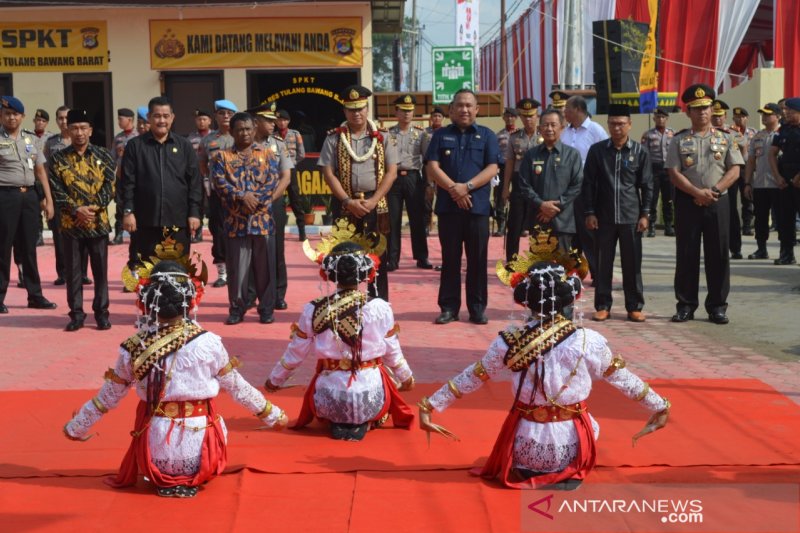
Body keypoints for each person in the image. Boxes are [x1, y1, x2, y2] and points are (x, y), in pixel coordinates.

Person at [418, 240, 670, 489]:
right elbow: (621, 377)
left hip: (524, 449)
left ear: (524, 300)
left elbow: (474, 376)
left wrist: (431, 404)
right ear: (571, 297)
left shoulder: (509, 342)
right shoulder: (587, 340)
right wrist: (659, 406)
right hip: (574, 445)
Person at [64, 259, 287, 498]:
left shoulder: (134, 347)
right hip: (200, 451)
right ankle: (191, 474)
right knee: (217, 419)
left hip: (155, 454)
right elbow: (237, 387)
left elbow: (108, 396)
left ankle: (164, 477)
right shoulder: (208, 343)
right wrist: (272, 414)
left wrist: (76, 427)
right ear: (190, 301)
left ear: (148, 302)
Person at [264, 235, 415, 441]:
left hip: (328, 400)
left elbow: (295, 353)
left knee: (329, 389)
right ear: (365, 273)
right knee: (378, 379)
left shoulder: (313, 309)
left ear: (329, 274)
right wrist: (406, 378)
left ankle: (337, 419)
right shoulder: (379, 308)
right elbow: (392, 351)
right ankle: (366, 419)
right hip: (370, 398)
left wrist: (274, 380)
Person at [666, 85, 744, 325]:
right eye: (696, 109)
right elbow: (673, 172)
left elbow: (735, 169)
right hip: (688, 202)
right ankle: (686, 305)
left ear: (712, 109)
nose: (702, 112)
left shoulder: (727, 138)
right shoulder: (679, 140)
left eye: (706, 108)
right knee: (687, 254)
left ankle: (717, 306)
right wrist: (696, 192)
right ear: (688, 112)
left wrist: (715, 190)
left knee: (718, 254)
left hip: (718, 202)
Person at [426, 89, 500, 325]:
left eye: (469, 105)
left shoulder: (487, 135)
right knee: (450, 260)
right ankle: (449, 308)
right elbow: (433, 166)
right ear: (451, 110)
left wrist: (466, 187)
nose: (464, 109)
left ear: (477, 109)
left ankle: (477, 308)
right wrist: (453, 190)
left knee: (478, 260)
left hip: (477, 208)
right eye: (459, 105)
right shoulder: (440, 136)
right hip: (449, 208)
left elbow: (492, 168)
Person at [319, 85, 398, 301]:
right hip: (346, 204)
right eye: (351, 109)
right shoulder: (334, 139)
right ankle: (345, 301)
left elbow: (391, 173)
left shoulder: (382, 137)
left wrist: (374, 200)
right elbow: (328, 173)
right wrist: (347, 200)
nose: (357, 113)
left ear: (367, 108)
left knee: (377, 257)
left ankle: (377, 302)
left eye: (360, 108)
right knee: (344, 256)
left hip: (376, 203)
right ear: (345, 111)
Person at [212, 111, 290, 325]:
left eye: (248, 129)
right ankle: (237, 309)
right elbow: (219, 183)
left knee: (265, 269)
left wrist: (255, 200)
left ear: (254, 130)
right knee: (237, 270)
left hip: (262, 221)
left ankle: (266, 309)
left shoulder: (268, 155)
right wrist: (241, 196)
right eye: (239, 129)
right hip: (235, 223)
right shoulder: (222, 157)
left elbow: (273, 182)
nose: (244, 133)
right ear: (232, 131)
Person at [583, 104, 653, 322]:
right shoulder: (597, 151)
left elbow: (648, 185)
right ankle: (603, 305)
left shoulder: (640, 152)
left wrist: (645, 214)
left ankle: (634, 306)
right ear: (608, 125)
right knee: (604, 263)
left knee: (632, 264)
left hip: (631, 217)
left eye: (621, 124)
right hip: (603, 217)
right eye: (613, 123)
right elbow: (588, 184)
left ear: (629, 125)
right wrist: (590, 212)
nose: (617, 128)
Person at [48, 109, 115, 331]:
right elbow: (57, 190)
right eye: (74, 128)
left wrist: (91, 210)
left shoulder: (104, 155)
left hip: (98, 224)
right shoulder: (58, 158)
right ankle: (76, 314)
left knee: (100, 273)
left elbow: (110, 187)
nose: (79, 133)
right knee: (74, 273)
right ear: (68, 130)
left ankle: (102, 314)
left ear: (91, 131)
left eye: (83, 128)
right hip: (71, 225)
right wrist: (77, 209)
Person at [121, 96, 203, 270]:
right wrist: (128, 211)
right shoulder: (135, 146)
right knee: (148, 271)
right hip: (145, 220)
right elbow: (127, 182)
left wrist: (194, 212)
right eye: (157, 116)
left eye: (166, 116)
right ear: (149, 118)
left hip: (178, 220)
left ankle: (177, 298)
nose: (162, 120)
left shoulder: (184, 146)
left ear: (172, 117)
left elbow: (194, 182)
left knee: (177, 271)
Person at [0, 95, 57, 314]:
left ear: (22, 116)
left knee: (29, 248)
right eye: (7, 114)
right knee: (3, 248)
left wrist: (49, 200)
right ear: (1, 115)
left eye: (15, 114)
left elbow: (41, 171)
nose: (11, 118)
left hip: (30, 197)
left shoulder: (30, 139)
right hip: (6, 197)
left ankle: (35, 295)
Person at [515, 108, 583, 254]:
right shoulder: (531, 155)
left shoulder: (572, 155)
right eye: (545, 125)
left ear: (562, 127)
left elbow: (577, 185)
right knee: (540, 271)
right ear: (539, 128)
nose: (549, 129)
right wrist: (541, 205)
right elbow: (524, 185)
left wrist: (554, 208)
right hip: (538, 220)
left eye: (553, 124)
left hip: (563, 222)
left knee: (563, 271)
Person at [561, 95, 608, 280]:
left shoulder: (596, 130)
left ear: (579, 110)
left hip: (588, 187)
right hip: (567, 188)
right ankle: (572, 273)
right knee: (571, 233)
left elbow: (605, 157)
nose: (564, 112)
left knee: (589, 232)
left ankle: (598, 274)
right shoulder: (565, 132)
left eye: (567, 109)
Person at [251, 103, 293, 311]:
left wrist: (270, 198)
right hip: (249, 204)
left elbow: (286, 177)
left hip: (273, 202)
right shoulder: (244, 144)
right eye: (268, 120)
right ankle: (250, 294)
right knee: (250, 250)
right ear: (256, 121)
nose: (272, 124)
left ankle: (278, 294)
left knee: (277, 250)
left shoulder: (279, 144)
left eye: (273, 120)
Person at [386, 94, 431, 270]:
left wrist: (428, 185)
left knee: (417, 219)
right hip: (393, 178)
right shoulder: (388, 134)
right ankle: (392, 259)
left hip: (413, 177)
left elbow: (427, 161)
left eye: (410, 111)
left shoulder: (421, 134)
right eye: (403, 111)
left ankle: (422, 257)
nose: (407, 114)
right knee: (392, 220)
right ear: (396, 112)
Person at [199, 100, 238, 287]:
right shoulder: (208, 140)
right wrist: (210, 179)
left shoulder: (242, 136)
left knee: (239, 231)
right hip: (217, 194)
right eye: (222, 113)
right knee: (218, 232)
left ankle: (238, 269)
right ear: (216, 116)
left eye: (230, 113)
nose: (226, 117)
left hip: (239, 194)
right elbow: (202, 163)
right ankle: (222, 273)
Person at [501, 98, 543, 261]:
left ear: (537, 115)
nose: (528, 119)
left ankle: (537, 260)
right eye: (524, 116)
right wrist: (505, 188)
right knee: (514, 224)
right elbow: (510, 162)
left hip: (539, 182)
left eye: (531, 116)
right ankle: (512, 260)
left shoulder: (544, 135)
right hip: (519, 181)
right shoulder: (514, 137)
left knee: (537, 225)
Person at [744, 103, 782, 260]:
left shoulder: (783, 135)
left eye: (768, 114)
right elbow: (751, 162)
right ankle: (761, 249)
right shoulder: (757, 137)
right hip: (760, 184)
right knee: (760, 218)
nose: (764, 117)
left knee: (782, 219)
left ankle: (786, 251)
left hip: (780, 184)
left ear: (778, 116)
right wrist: (747, 183)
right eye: (763, 114)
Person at [711, 100, 747, 260]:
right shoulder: (705, 132)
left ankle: (735, 248)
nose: (717, 119)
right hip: (711, 178)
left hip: (728, 179)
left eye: (720, 116)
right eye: (715, 116)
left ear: (725, 116)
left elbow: (744, 151)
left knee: (731, 212)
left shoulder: (732, 134)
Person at [768, 97, 800, 265]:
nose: (785, 113)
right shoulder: (784, 129)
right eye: (785, 110)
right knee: (785, 220)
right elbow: (772, 153)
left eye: (790, 111)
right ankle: (787, 254)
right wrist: (777, 176)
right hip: (786, 182)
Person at [640, 107, 675, 237]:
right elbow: (644, 153)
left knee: (669, 199)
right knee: (652, 199)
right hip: (653, 169)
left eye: (663, 117)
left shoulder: (673, 134)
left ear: (667, 119)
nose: (661, 119)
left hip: (668, 170)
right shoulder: (648, 134)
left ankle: (668, 226)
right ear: (654, 118)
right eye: (658, 117)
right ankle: (652, 226)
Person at [275, 108, 307, 241]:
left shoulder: (295, 134)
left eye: (284, 120)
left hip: (291, 170)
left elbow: (302, 154)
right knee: (277, 200)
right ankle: (277, 232)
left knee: (295, 200)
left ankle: (302, 232)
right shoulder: (272, 136)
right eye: (279, 120)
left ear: (288, 121)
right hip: (277, 172)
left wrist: (291, 164)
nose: (282, 123)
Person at [110, 108, 138, 245]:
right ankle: (119, 234)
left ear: (130, 120)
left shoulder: (138, 137)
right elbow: (112, 158)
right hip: (121, 178)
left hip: (135, 179)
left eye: (121, 119)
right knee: (120, 206)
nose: (119, 121)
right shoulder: (118, 138)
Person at [186, 109, 213, 243]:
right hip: (196, 176)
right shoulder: (190, 138)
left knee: (214, 204)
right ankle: (197, 232)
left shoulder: (215, 137)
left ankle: (216, 232)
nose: (201, 122)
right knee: (198, 203)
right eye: (199, 119)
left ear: (209, 121)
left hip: (212, 176)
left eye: (204, 119)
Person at [420, 106, 446, 236]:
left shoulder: (447, 132)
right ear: (431, 118)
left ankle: (443, 224)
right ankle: (426, 225)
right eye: (434, 116)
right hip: (428, 168)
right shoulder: (424, 133)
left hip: (443, 169)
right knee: (427, 198)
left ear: (443, 119)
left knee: (442, 196)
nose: (436, 118)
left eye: (439, 116)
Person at [731, 106, 757, 236]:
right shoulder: (728, 131)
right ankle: (732, 225)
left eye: (742, 117)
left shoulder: (753, 133)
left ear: (747, 118)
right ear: (732, 118)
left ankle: (747, 226)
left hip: (746, 168)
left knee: (747, 198)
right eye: (736, 117)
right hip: (732, 168)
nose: (739, 119)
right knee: (730, 198)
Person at [493, 107, 518, 237]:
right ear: (503, 118)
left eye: (512, 116)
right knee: (500, 196)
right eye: (507, 116)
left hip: (517, 168)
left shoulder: (520, 134)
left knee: (518, 195)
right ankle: (501, 225)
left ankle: (519, 225)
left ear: (516, 118)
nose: (509, 119)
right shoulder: (498, 135)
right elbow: (495, 153)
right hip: (502, 167)